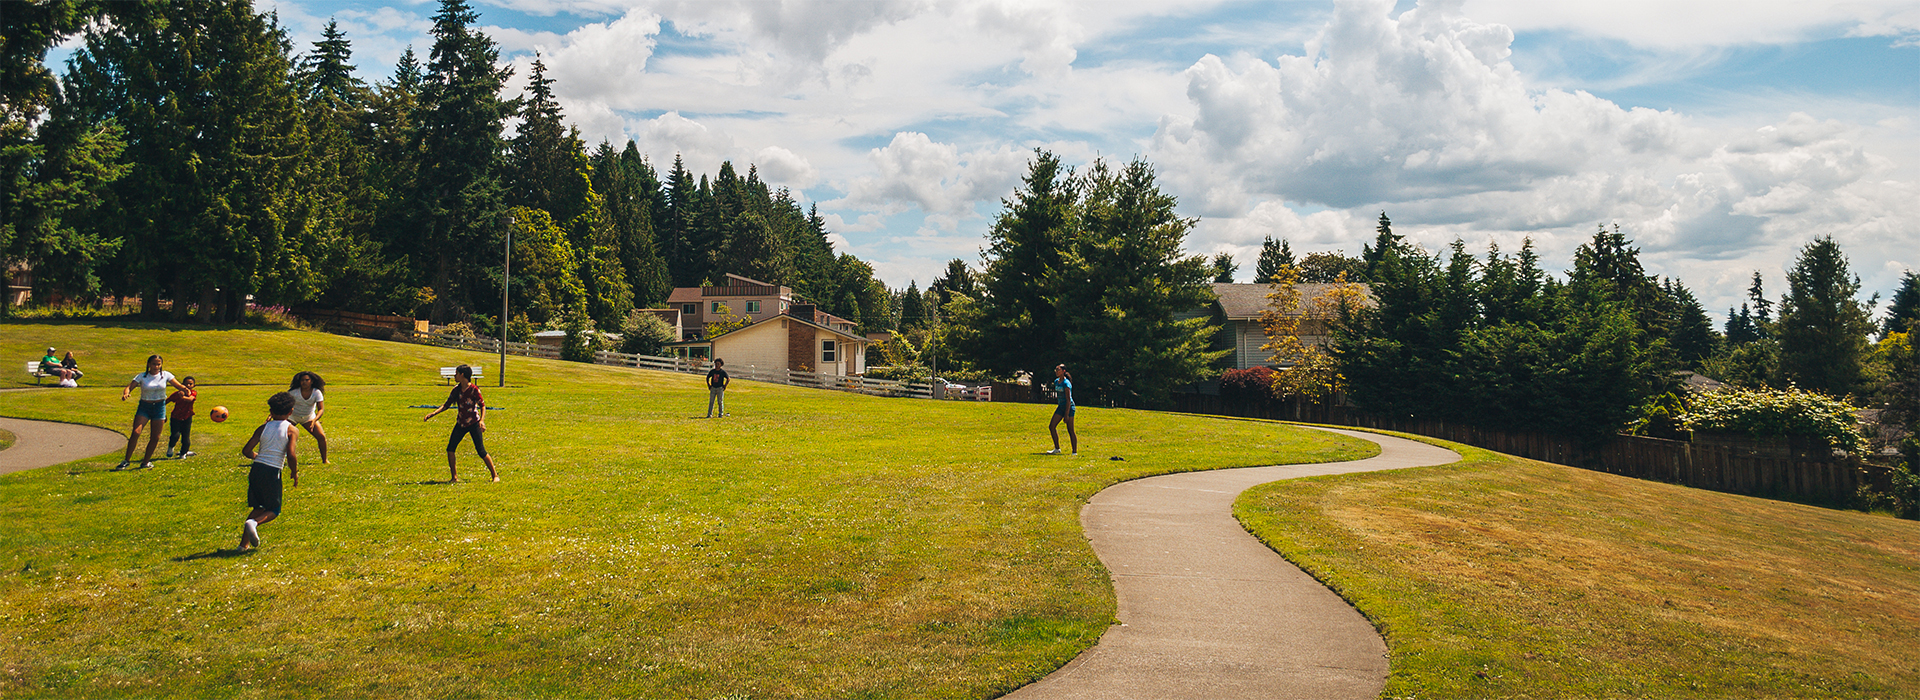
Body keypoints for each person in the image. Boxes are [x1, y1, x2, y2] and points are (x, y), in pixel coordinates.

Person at [238, 391, 300, 550]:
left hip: (256, 469)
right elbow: (291, 454)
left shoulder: (263, 427)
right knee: (274, 509)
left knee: (258, 507)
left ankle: (243, 546)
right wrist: (294, 472)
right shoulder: (291, 429)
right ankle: (254, 523)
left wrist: (258, 456)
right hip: (272, 471)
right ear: (291, 411)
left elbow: (246, 450)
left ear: (271, 412)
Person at [422, 364, 498, 483]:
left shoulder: (474, 389)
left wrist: (482, 421)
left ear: (462, 375)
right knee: (450, 449)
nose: (454, 376)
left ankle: (495, 476)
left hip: (473, 423)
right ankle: (454, 477)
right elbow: (446, 405)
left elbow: (482, 406)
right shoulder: (456, 390)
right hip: (461, 423)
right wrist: (433, 413)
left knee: (481, 451)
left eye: (456, 373)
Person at [118, 354, 188, 469]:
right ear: (149, 364)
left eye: (158, 364)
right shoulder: (142, 376)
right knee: (136, 432)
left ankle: (145, 462)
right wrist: (126, 393)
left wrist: (184, 389)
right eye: (154, 364)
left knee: (155, 437)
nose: (156, 366)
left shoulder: (166, 375)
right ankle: (126, 460)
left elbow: (178, 385)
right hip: (145, 406)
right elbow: (129, 387)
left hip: (159, 407)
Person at [287, 371, 330, 464]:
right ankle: (280, 458)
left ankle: (325, 460)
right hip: (292, 416)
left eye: (307, 380)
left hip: (309, 417)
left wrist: (314, 420)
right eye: (302, 380)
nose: (304, 382)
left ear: (311, 381)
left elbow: (321, 409)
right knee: (282, 436)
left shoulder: (316, 392)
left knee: (321, 437)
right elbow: (283, 404)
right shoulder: (293, 392)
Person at [1047, 364, 1077, 455]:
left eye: (1058, 370)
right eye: (1055, 370)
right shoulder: (1056, 382)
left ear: (1063, 371)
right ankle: (1057, 448)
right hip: (1061, 407)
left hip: (1069, 407)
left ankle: (1074, 452)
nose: (1056, 372)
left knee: (1070, 429)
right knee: (1052, 426)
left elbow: (1068, 400)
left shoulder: (1066, 383)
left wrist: (1066, 415)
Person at [165, 376, 199, 458]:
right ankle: (171, 447)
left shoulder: (193, 393)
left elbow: (190, 399)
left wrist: (182, 397)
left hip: (187, 417)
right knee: (175, 435)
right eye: (186, 384)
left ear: (194, 385)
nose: (188, 385)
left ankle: (183, 453)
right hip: (176, 417)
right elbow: (166, 401)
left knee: (186, 436)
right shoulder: (176, 394)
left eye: (190, 384)